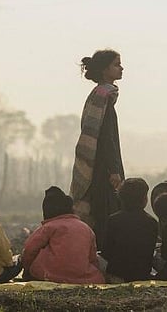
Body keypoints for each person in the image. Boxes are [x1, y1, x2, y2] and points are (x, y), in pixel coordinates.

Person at [69, 49, 125, 249]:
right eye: (117, 64)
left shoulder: (101, 95)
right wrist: (114, 170)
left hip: (101, 165)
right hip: (103, 168)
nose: (121, 68)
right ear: (104, 70)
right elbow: (106, 138)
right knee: (105, 213)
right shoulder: (103, 96)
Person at [21, 186, 104, 284]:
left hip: (49, 276)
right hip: (83, 277)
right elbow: (92, 258)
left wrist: (28, 268)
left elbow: (29, 249)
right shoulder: (86, 228)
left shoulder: (49, 227)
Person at [102, 178, 158, 282]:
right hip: (142, 275)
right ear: (144, 199)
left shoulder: (113, 220)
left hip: (117, 274)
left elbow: (106, 251)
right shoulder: (152, 222)